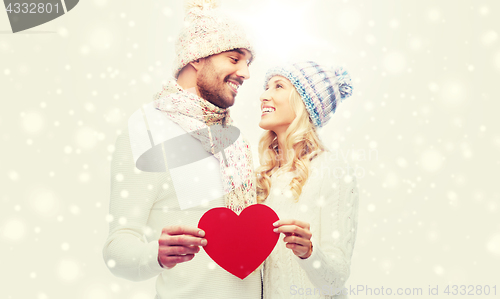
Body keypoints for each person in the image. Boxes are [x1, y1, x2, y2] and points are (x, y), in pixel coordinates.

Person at [102, 1, 260, 298]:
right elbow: (117, 248)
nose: (245, 73)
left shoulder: (236, 138)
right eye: (234, 58)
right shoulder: (147, 128)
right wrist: (155, 255)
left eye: (248, 63)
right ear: (197, 59)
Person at [256, 61, 360, 298]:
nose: (264, 95)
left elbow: (336, 280)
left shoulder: (333, 171)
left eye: (278, 86)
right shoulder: (262, 178)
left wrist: (309, 252)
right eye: (266, 87)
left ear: (304, 103)